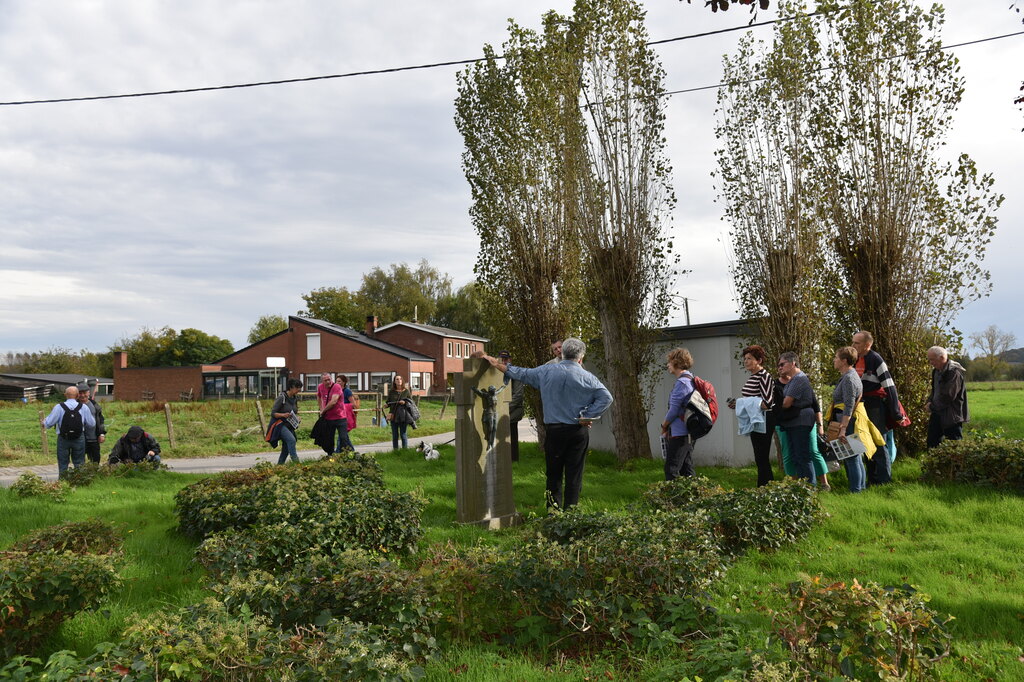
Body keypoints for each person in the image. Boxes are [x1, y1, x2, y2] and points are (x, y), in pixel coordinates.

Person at [472, 338, 612, 509]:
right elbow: (606, 397)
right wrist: (587, 416)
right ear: (581, 357)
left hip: (554, 432)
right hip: (577, 431)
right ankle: (571, 514)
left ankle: (553, 513)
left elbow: (518, 373)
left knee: (553, 475)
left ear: (563, 352)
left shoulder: (546, 371)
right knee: (574, 475)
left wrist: (494, 362)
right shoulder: (587, 376)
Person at [851, 331, 901, 485]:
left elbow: (889, 386)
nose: (853, 346)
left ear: (868, 345)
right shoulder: (853, 359)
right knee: (864, 442)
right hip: (860, 405)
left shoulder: (876, 359)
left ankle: (885, 480)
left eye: (856, 343)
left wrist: (895, 411)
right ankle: (872, 479)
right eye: (852, 342)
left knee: (879, 442)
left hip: (874, 405)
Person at [727, 345, 776, 486]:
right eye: (745, 359)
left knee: (762, 457)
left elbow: (767, 403)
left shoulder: (764, 376)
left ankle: (766, 487)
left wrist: (744, 402)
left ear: (759, 360)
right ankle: (764, 486)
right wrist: (738, 404)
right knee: (759, 457)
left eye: (749, 358)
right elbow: (753, 400)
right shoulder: (753, 376)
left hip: (765, 419)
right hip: (757, 420)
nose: (746, 361)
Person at [777, 352, 817, 485]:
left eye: (782, 364)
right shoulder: (794, 379)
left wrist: (773, 405)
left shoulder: (799, 378)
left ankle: (810, 489)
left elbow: (786, 403)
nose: (780, 367)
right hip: (794, 422)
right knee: (796, 457)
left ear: (793, 363)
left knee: (802, 456)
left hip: (800, 422)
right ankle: (802, 488)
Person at [830, 346, 866, 492]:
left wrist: (843, 428)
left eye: (836, 358)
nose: (834, 360)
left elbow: (849, 404)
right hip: (849, 420)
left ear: (844, 361)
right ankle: (859, 488)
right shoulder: (850, 375)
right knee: (855, 455)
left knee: (851, 456)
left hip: (847, 421)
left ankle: (856, 490)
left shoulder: (849, 378)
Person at [41, 385, 97, 477]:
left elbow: (49, 423)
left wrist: (44, 422)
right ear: (78, 395)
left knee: (63, 463)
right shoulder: (83, 407)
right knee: (79, 463)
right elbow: (92, 424)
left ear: (65, 395)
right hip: (79, 438)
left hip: (63, 438)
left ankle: (63, 483)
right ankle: (79, 482)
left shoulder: (59, 407)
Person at [659, 347, 696, 480]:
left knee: (671, 469)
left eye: (669, 362)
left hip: (680, 433)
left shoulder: (682, 383)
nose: (668, 365)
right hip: (688, 432)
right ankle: (695, 499)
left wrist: (664, 425)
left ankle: (673, 500)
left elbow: (674, 410)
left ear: (676, 362)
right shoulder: (691, 379)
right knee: (687, 469)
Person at [925, 346, 968, 448]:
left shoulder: (953, 372)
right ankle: (934, 464)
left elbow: (948, 396)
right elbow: (934, 390)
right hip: (937, 413)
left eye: (932, 359)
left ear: (941, 357)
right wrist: (929, 401)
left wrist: (931, 407)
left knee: (954, 446)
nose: (931, 362)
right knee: (932, 444)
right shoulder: (936, 371)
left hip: (951, 416)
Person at [269, 378, 303, 464]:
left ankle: (280, 465)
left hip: (290, 425)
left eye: (300, 388)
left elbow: (294, 411)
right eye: (297, 387)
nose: (298, 390)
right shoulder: (282, 398)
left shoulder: (295, 398)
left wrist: (297, 418)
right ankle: (296, 463)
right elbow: (273, 413)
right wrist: (283, 415)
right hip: (280, 425)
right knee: (291, 440)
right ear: (291, 387)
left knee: (286, 447)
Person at [499, 351, 525, 462]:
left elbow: (518, 395)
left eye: (506, 359)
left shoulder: (515, 373)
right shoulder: (496, 372)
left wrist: (505, 409)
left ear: (510, 360)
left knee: (512, 436)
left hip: (512, 411)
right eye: (502, 359)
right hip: (499, 410)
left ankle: (513, 460)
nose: (504, 361)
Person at [316, 373, 348, 455]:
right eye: (325, 380)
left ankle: (344, 454)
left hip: (340, 417)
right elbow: (319, 397)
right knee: (328, 439)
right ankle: (331, 455)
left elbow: (333, 402)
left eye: (329, 379)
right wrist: (321, 408)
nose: (328, 382)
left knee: (343, 438)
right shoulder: (320, 387)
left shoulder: (336, 387)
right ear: (322, 381)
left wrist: (323, 410)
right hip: (328, 418)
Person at [78, 383, 106, 464]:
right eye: (80, 393)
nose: (82, 395)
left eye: (84, 393)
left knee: (95, 461)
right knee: (79, 462)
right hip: (79, 439)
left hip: (93, 438)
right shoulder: (74, 405)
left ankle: (94, 476)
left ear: (89, 393)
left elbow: (100, 420)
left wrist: (101, 434)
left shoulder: (94, 405)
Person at [387, 375, 414, 449]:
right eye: (397, 379)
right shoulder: (391, 392)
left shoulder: (406, 391)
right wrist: (386, 405)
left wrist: (404, 402)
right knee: (395, 435)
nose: (399, 380)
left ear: (402, 381)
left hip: (403, 415)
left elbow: (411, 402)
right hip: (394, 415)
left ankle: (404, 451)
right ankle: (395, 451)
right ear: (394, 382)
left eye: (400, 379)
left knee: (403, 434)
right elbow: (388, 402)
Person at [334, 373, 357, 453]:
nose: (337, 383)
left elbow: (353, 404)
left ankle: (337, 452)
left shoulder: (347, 391)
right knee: (344, 436)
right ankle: (351, 451)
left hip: (346, 416)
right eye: (336, 381)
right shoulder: (336, 391)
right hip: (337, 416)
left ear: (344, 382)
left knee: (342, 436)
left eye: (339, 381)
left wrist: (343, 405)